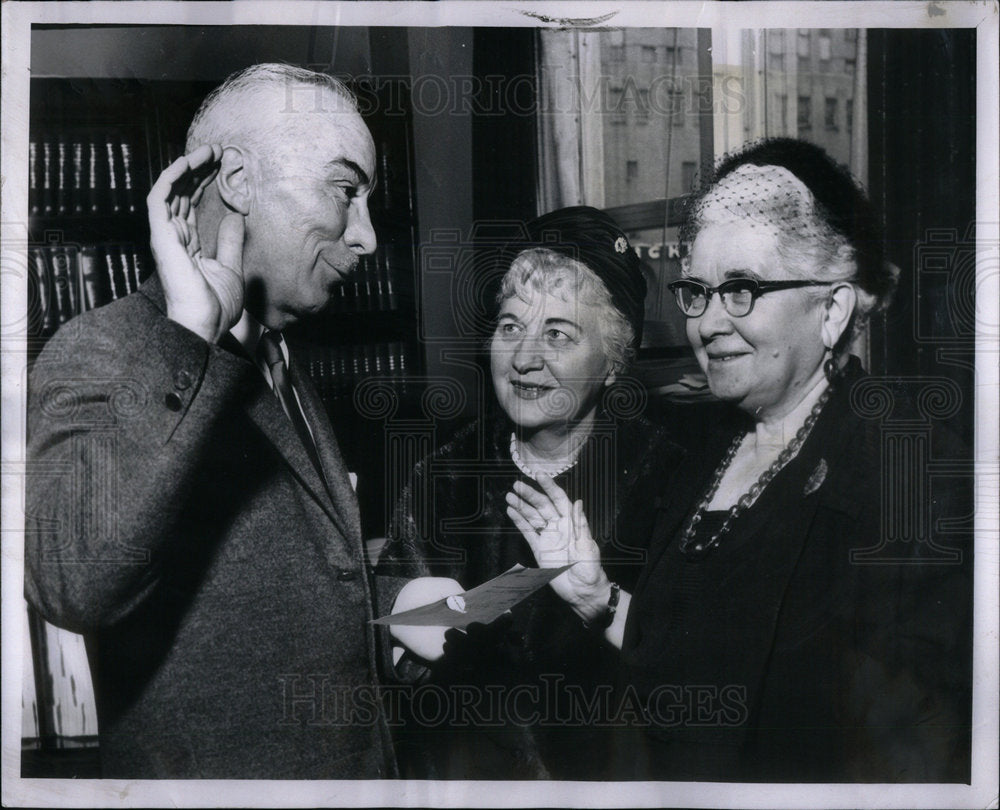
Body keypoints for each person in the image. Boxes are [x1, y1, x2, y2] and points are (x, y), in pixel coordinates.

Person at [507, 139, 972, 782]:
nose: (709, 323)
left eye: (743, 289)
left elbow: (915, 742)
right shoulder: (692, 448)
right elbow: (680, 660)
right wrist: (601, 600)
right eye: (698, 291)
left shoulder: (910, 466)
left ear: (833, 310)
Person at [23, 64, 397, 779]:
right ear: (238, 182)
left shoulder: (282, 358)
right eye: (345, 191)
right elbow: (69, 578)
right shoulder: (107, 348)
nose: (369, 237)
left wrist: (398, 611)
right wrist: (190, 334)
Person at [375, 207, 684, 779]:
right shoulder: (443, 479)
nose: (523, 357)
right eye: (511, 326)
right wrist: (403, 621)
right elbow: (390, 658)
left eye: (558, 334)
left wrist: (602, 601)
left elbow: (698, 672)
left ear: (614, 362)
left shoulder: (665, 481)